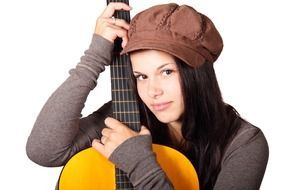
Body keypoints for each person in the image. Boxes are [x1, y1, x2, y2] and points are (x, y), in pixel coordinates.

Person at [26, 2, 269, 190]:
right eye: (141, 76)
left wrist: (138, 162)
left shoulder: (244, 144)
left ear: (198, 73)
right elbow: (44, 152)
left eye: (166, 72)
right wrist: (95, 56)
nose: (153, 91)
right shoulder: (126, 114)